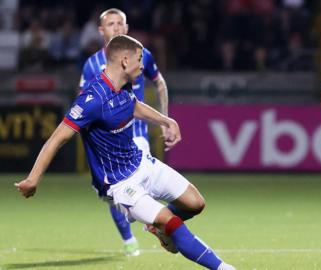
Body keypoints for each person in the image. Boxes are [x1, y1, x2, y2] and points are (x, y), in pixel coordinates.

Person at [15, 34, 235, 270]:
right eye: (139, 59)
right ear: (124, 60)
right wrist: (33, 179)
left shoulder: (125, 86)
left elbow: (135, 106)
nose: (142, 65)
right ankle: (223, 267)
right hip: (121, 184)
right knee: (171, 223)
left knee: (195, 203)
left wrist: (165, 120)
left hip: (140, 162)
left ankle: (155, 226)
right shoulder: (92, 99)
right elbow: (57, 139)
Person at [78, 8, 169, 256]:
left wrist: (164, 119)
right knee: (113, 194)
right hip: (106, 141)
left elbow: (159, 82)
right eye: (110, 24)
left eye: (120, 23)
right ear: (101, 30)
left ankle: (158, 223)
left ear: (127, 29)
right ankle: (132, 236)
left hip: (136, 134)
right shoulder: (92, 65)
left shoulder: (143, 55)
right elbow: (81, 102)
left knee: (134, 189)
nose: (116, 28)